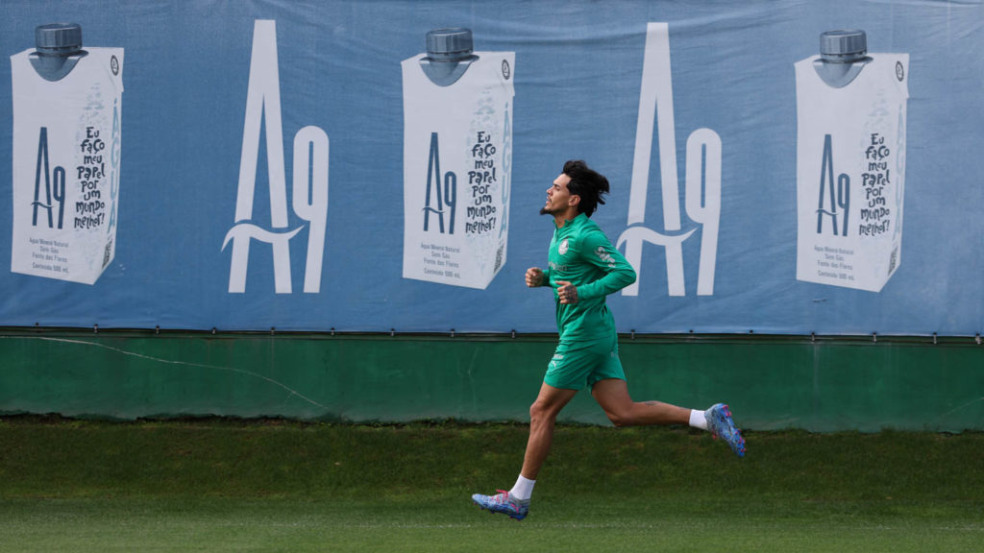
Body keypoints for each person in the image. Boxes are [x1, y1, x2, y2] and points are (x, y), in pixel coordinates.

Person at [471, 160, 745, 521]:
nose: (549, 191)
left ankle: (518, 498)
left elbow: (625, 272)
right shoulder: (562, 232)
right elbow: (573, 273)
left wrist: (581, 293)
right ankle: (707, 418)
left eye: (557, 187)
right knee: (621, 413)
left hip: (583, 335)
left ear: (573, 199)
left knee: (541, 410)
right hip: (595, 331)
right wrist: (546, 279)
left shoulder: (585, 235)